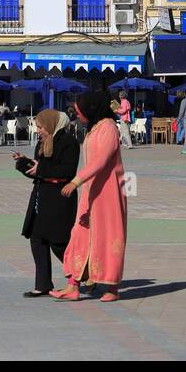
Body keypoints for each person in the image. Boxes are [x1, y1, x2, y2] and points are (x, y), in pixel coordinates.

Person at [54, 91, 128, 303]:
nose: (77, 115)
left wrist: (75, 181)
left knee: (108, 236)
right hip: (90, 190)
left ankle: (112, 287)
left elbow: (102, 160)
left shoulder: (108, 128)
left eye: (79, 111)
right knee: (80, 232)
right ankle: (73, 285)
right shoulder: (93, 128)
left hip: (109, 192)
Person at [14, 108, 80, 297]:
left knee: (59, 242)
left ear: (51, 125)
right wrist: (23, 163)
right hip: (41, 196)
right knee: (37, 238)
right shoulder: (43, 143)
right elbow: (39, 169)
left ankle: (81, 272)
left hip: (60, 198)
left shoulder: (69, 143)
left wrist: (40, 168)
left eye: (41, 127)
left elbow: (67, 171)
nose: (38, 130)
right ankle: (43, 284)